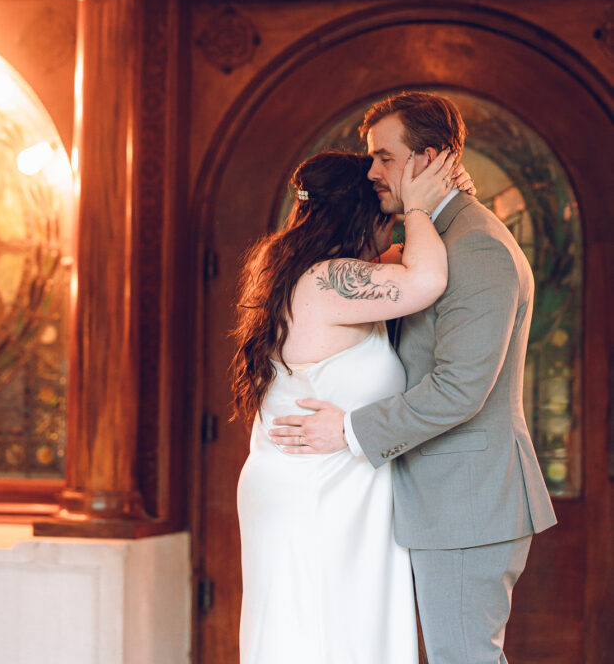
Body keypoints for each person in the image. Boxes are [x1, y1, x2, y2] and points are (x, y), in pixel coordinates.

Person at [269, 91, 558, 664]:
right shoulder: (435, 242)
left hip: (466, 502)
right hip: (435, 500)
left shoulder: (477, 249)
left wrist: (348, 431)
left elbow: (460, 389)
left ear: (431, 159)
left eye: (384, 157)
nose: (371, 172)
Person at [232, 145, 468, 664]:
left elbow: (405, 262)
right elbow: (427, 278)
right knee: (323, 638)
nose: (394, 228)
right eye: (385, 213)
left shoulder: (311, 273)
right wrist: (421, 207)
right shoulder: (326, 281)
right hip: (317, 494)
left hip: (327, 486)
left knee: (335, 635)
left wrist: (434, 198)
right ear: (360, 214)